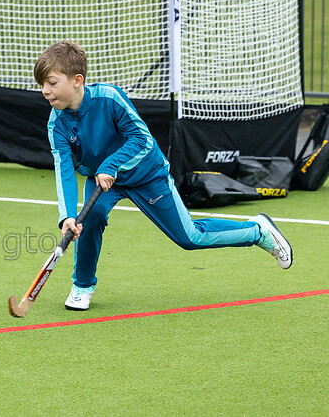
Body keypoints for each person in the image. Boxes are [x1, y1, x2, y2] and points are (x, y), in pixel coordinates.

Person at [34, 40, 293, 311]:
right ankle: (82, 285)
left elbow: (142, 139)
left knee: (190, 238)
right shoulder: (56, 123)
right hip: (103, 182)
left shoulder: (109, 98)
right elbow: (63, 168)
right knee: (91, 216)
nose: (45, 91)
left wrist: (111, 164)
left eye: (52, 82)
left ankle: (257, 231)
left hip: (147, 174)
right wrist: (67, 216)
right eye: (42, 84)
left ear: (77, 80)